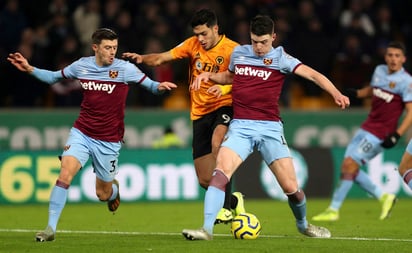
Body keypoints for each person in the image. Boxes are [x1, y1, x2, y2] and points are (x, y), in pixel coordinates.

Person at [182, 15, 350, 240]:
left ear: (273, 37)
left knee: (292, 189)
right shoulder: (240, 53)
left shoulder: (281, 58)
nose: (259, 47)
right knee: (220, 173)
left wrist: (336, 93)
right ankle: (206, 229)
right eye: (254, 41)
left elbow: (313, 75)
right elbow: (230, 76)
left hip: (270, 129)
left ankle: (303, 224)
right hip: (241, 126)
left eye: (263, 42)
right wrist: (209, 76)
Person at [7, 28, 177, 242]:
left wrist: (159, 86)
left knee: (102, 194)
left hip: (109, 140)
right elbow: (52, 78)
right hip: (82, 132)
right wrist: (30, 68)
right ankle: (50, 228)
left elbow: (150, 86)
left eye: (114, 48)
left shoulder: (124, 69)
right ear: (95, 47)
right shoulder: (82, 65)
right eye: (107, 48)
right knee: (65, 174)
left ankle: (113, 191)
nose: (112, 52)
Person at [123, 8, 245, 223]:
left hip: (225, 106)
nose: (200, 38)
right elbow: (161, 58)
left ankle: (225, 209)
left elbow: (243, 81)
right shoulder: (192, 44)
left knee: (219, 144)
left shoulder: (233, 50)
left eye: (204, 34)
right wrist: (143, 58)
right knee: (205, 179)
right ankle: (235, 201)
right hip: (199, 112)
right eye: (197, 34)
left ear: (215, 29)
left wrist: (224, 89)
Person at [312, 41, 412, 222]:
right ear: (385, 57)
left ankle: (334, 210)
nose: (393, 59)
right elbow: (373, 90)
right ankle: (384, 197)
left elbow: (411, 111)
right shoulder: (380, 71)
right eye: (390, 55)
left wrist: (397, 134)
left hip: (382, 133)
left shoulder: (406, 82)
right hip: (367, 126)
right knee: (348, 166)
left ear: (403, 59)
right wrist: (357, 93)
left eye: (397, 56)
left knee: (349, 164)